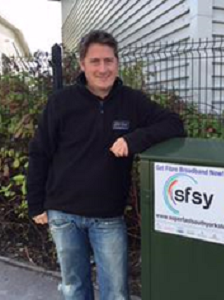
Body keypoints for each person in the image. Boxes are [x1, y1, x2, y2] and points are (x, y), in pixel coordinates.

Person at [27, 30, 185, 300]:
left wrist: (133, 139)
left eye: (108, 61)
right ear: (82, 65)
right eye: (95, 61)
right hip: (64, 215)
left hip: (108, 217)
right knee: (74, 288)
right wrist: (36, 204)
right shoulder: (61, 103)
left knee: (116, 293)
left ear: (117, 62)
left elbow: (174, 124)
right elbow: (40, 153)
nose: (103, 68)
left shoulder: (132, 101)